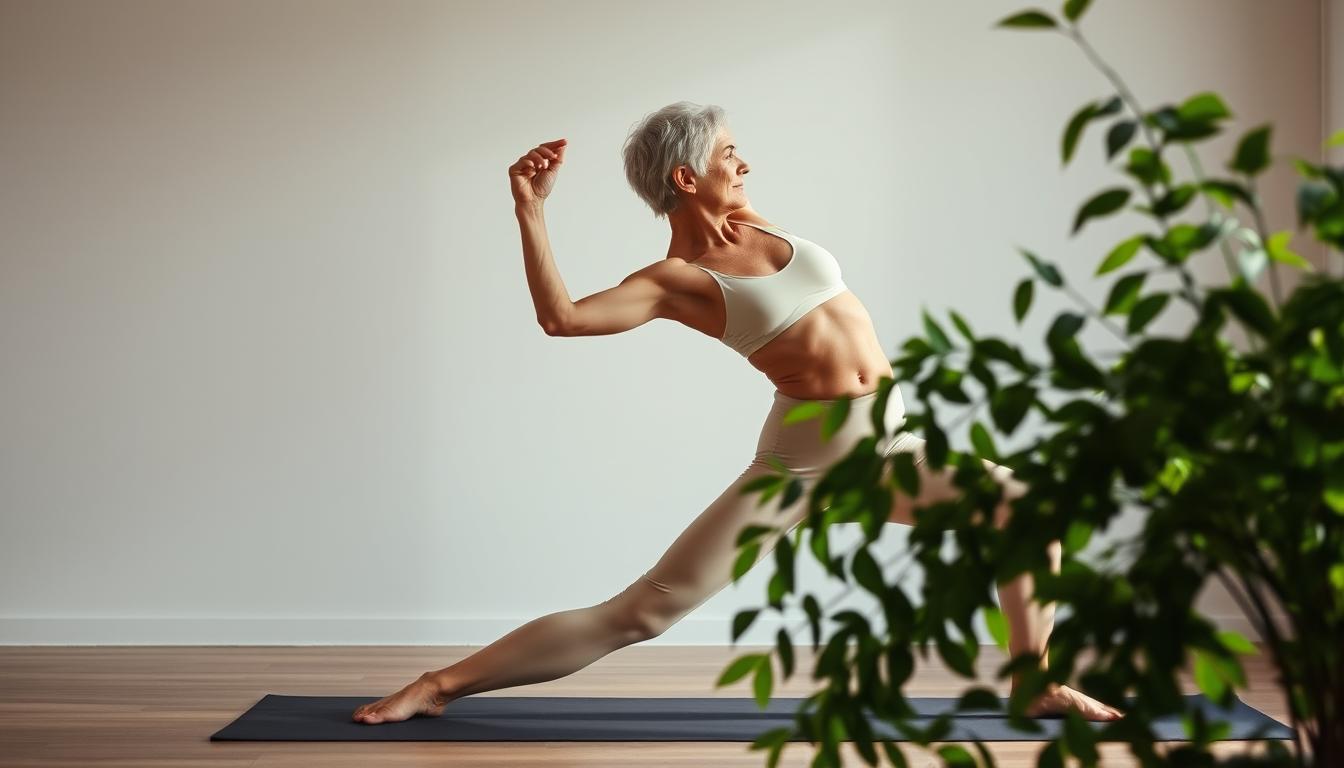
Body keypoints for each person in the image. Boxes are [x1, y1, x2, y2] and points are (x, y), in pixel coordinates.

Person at [352, 101, 1122, 725]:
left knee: (1027, 507)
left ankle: (1035, 683)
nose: (745, 163)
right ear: (687, 178)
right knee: (640, 614)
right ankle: (440, 685)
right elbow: (563, 318)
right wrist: (531, 211)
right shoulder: (676, 279)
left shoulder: (759, 224)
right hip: (805, 460)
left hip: (889, 440)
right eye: (729, 154)